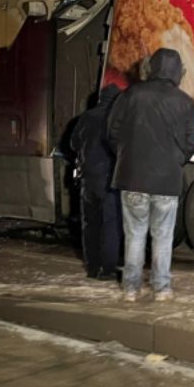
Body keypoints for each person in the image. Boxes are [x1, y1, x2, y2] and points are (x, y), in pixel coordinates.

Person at [107, 48, 194, 302]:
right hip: (167, 180)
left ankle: (131, 288)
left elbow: (112, 132)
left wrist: (127, 156)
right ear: (177, 71)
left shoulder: (131, 95)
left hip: (132, 177)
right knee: (163, 236)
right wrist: (174, 160)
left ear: (152, 67)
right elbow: (191, 143)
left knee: (134, 234)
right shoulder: (185, 102)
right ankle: (161, 288)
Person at [68, 84, 123, 281]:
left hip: (87, 180)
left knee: (90, 224)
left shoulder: (85, 118)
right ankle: (107, 268)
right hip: (109, 180)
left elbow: (73, 143)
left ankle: (92, 267)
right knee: (110, 224)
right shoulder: (117, 119)